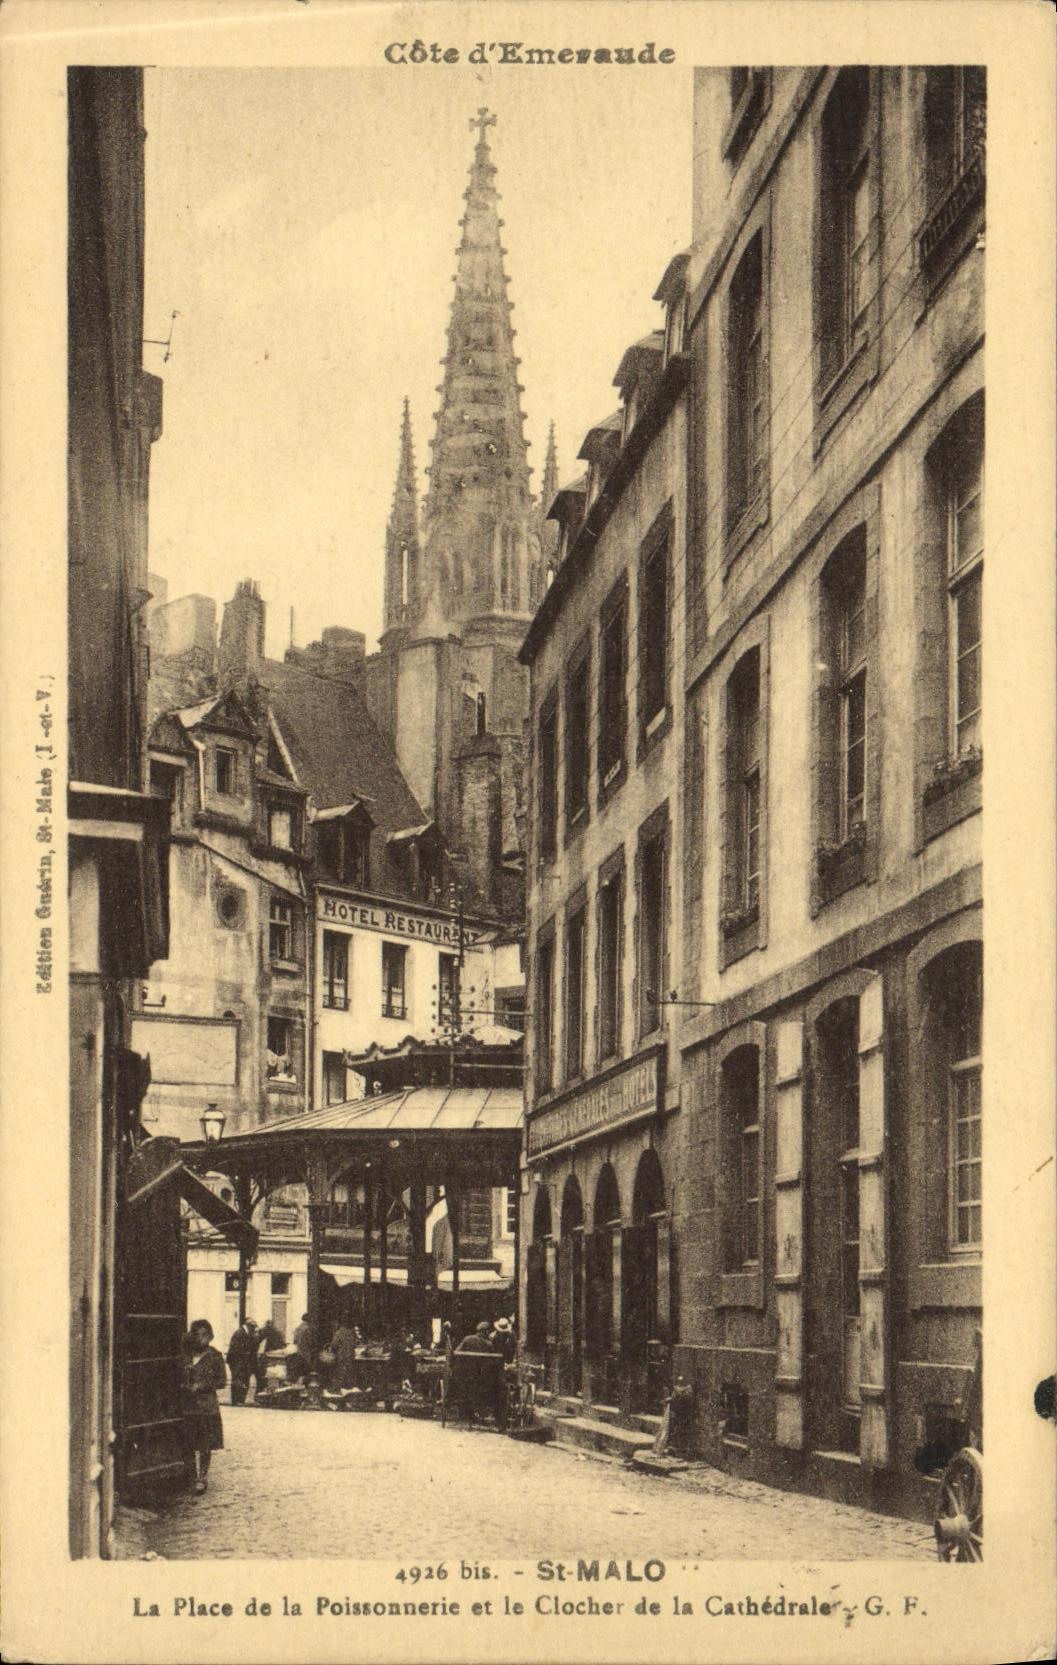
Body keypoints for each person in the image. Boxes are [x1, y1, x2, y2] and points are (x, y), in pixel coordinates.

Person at [183, 1319, 226, 1493]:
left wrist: (201, 1386)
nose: (202, 1339)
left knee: (205, 1444)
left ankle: (202, 1477)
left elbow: (222, 1381)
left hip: (207, 1406)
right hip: (188, 1406)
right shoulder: (186, 1355)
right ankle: (191, 1476)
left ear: (210, 1336)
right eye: (198, 1335)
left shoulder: (215, 1356)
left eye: (205, 1335)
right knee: (188, 1443)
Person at [226, 1317, 259, 1406]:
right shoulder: (240, 1333)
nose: (253, 1329)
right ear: (248, 1326)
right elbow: (237, 1350)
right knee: (238, 1380)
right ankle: (237, 1400)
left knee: (242, 1380)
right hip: (237, 1362)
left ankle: (239, 1400)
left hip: (240, 1362)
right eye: (253, 1327)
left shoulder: (244, 1333)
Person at [292, 1312, 315, 1381]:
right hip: (306, 1353)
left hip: (298, 1351)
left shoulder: (298, 1328)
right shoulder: (308, 1329)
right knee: (306, 1370)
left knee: (300, 1371)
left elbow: (294, 1341)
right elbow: (311, 1342)